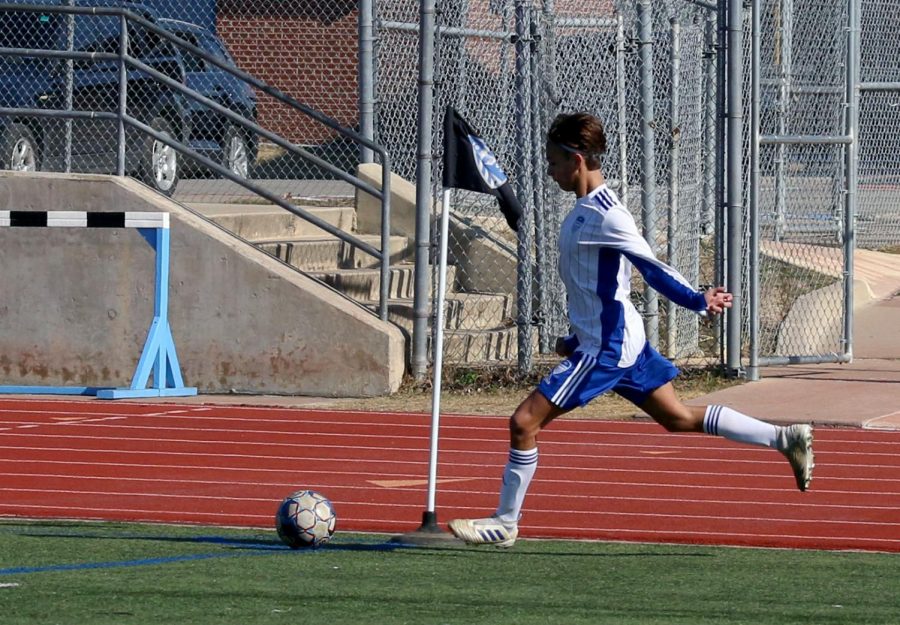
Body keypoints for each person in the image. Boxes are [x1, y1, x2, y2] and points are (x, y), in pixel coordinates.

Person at [448, 111, 815, 548]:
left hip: (610, 347)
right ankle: (783, 438)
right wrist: (577, 338)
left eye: (553, 161)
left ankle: (505, 522)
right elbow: (594, 285)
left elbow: (651, 267)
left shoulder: (608, 214)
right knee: (678, 418)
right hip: (613, 340)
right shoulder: (581, 211)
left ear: (576, 159)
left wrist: (697, 300)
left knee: (524, 422)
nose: (549, 170)